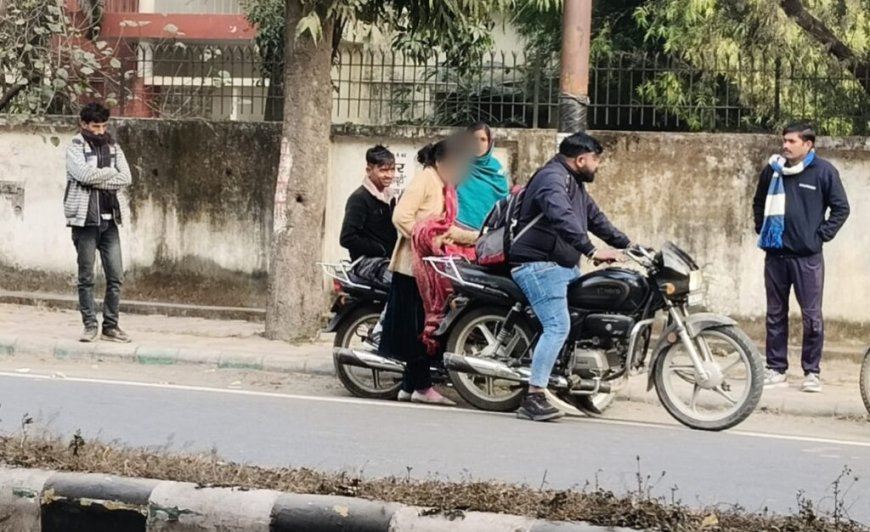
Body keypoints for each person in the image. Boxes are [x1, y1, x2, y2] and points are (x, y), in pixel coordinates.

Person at [509, 132, 632, 422]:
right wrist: (592, 250)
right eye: (596, 159)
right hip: (538, 265)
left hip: (561, 267)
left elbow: (595, 219)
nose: (598, 165)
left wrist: (629, 245)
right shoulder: (552, 179)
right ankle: (533, 397)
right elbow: (561, 216)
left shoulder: (574, 183)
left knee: (582, 324)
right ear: (580, 159)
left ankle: (572, 386)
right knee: (558, 326)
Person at [379, 135, 478, 405]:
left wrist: (476, 238)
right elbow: (401, 216)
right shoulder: (426, 179)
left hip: (428, 268)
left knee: (422, 329)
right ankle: (422, 388)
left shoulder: (444, 187)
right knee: (420, 331)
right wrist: (425, 240)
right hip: (412, 269)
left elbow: (445, 229)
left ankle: (409, 387)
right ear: (442, 162)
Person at [753, 123, 850, 393]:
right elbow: (759, 201)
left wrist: (819, 236)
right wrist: (762, 227)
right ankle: (776, 369)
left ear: (808, 144)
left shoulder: (823, 172)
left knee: (811, 316)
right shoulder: (773, 170)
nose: (785, 145)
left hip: (807, 258)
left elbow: (841, 208)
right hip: (775, 255)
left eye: (792, 141)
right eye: (784, 140)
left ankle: (811, 372)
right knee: (775, 314)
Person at [64, 103, 133, 344]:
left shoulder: (113, 146)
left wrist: (97, 179)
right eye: (95, 126)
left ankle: (110, 326)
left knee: (116, 276)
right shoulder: (75, 147)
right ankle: (90, 325)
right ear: (84, 124)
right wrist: (110, 173)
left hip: (110, 220)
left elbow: (127, 177)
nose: (101, 131)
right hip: (85, 221)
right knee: (86, 277)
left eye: (104, 126)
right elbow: (83, 175)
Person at [339, 145, 398, 261]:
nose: (389, 175)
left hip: (388, 261)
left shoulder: (390, 198)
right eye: (383, 170)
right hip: (367, 263)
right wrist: (380, 249)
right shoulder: (359, 198)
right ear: (369, 170)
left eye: (392, 169)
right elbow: (347, 238)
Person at [456, 122, 509, 231]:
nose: (478, 144)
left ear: (489, 143)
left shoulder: (496, 169)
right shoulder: (457, 165)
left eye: (483, 140)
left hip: (485, 233)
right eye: (474, 139)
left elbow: (503, 203)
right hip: (454, 229)